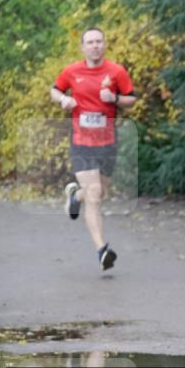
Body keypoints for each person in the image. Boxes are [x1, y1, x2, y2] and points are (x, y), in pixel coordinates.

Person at [51, 27, 137, 270]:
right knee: (95, 194)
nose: (95, 46)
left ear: (105, 45)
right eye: (90, 42)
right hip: (81, 142)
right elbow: (54, 90)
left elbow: (132, 99)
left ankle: (74, 196)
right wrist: (63, 99)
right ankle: (102, 250)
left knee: (98, 194)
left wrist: (116, 100)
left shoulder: (117, 71)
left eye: (99, 41)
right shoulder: (72, 71)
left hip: (108, 141)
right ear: (83, 47)